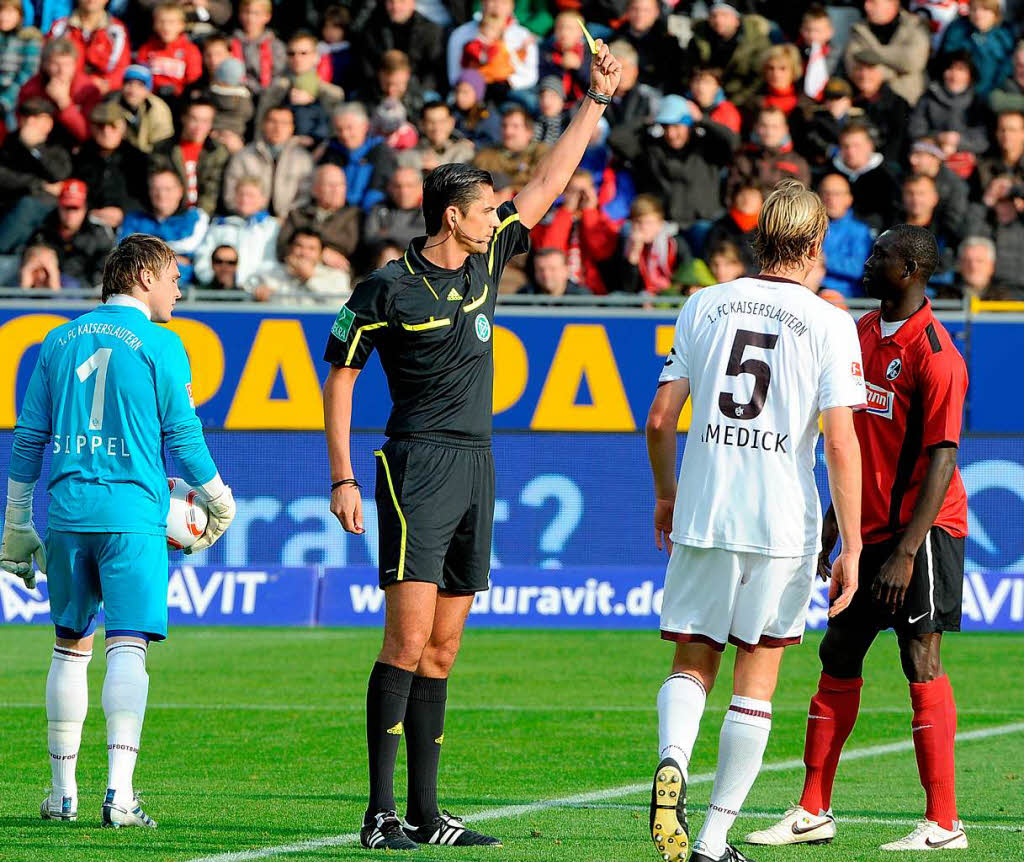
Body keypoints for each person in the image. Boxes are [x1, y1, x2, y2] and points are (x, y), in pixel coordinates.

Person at [321, 39, 621, 852]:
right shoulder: (387, 287)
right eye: (487, 208)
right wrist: (344, 477)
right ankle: (379, 813)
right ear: (452, 216)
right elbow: (341, 375)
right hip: (414, 463)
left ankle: (425, 813)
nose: (499, 216)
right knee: (407, 641)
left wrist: (594, 101)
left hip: (477, 465)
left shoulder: (486, 263)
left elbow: (551, 183)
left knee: (446, 650)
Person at [645, 179, 865, 862]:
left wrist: (666, 493)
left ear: (760, 236)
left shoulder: (704, 303)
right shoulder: (831, 321)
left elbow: (659, 419)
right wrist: (851, 544)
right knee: (757, 679)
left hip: (707, 504)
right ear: (815, 244)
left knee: (692, 660)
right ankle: (711, 840)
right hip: (781, 521)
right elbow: (838, 443)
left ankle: (673, 758)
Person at [745, 225, 970, 852]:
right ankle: (813, 809)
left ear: (912, 271)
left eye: (881, 256)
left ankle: (943, 823)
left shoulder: (937, 354)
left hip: (920, 534)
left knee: (918, 660)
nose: (867, 263)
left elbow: (943, 461)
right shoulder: (859, 334)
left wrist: (902, 551)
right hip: (865, 532)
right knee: (837, 655)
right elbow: (853, 446)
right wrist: (832, 533)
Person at [0, 233, 236, 828]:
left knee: (68, 649)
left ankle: (61, 794)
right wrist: (219, 500)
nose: (180, 289)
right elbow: (182, 435)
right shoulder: (162, 343)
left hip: (69, 515)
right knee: (127, 647)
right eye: (175, 277)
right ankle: (120, 796)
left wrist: (16, 523)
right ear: (146, 276)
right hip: (134, 517)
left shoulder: (56, 340)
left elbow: (28, 439)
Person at [28, 177, 114, 288]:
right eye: (66, 208)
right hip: (46, 290)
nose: (70, 214)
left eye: (75, 208)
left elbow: (105, 272)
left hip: (85, 296)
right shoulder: (44, 228)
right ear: (59, 206)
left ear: (84, 208)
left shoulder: (99, 234)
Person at [843, 0, 931, 106]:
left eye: (873, 2)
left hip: (909, 101)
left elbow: (913, 60)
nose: (867, 7)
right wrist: (899, 66)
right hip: (869, 103)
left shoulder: (915, 25)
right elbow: (853, 64)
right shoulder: (859, 29)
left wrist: (876, 64)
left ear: (892, 3)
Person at [819, 172, 874, 298]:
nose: (831, 199)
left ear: (849, 199)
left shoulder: (860, 231)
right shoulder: (809, 226)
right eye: (826, 193)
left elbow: (859, 268)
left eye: (837, 194)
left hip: (847, 298)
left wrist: (822, 260)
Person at [115, 64, 173, 154]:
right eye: (129, 83)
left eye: (139, 85)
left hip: (152, 155)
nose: (133, 90)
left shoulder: (158, 110)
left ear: (148, 89)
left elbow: (162, 144)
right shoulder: (114, 104)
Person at [519, 246, 589, 297]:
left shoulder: (583, 299)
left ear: (566, 271)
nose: (546, 274)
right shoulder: (523, 297)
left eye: (552, 269)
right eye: (541, 269)